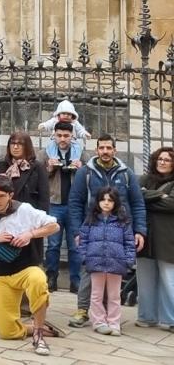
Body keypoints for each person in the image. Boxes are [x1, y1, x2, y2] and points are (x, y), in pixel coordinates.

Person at [0, 175, 61, 356]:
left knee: (38, 281)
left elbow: (54, 226)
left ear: (11, 195)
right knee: (7, 333)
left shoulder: (24, 210)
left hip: (26, 268)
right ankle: (33, 327)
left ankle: (38, 334)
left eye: (2, 196)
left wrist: (30, 234)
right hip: (2, 275)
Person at [67, 135, 148, 328]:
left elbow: (137, 203)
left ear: (114, 150)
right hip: (92, 226)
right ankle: (82, 309)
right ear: (96, 150)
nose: (105, 151)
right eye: (101, 148)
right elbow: (75, 203)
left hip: (119, 229)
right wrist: (77, 231)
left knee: (112, 272)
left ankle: (107, 317)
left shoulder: (126, 173)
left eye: (108, 148)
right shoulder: (85, 173)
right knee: (89, 269)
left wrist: (140, 230)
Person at [77, 186, 137, 335]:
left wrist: (129, 260)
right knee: (96, 295)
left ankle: (114, 322)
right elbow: (83, 239)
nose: (106, 203)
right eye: (103, 199)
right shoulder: (91, 220)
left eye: (110, 200)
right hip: (95, 263)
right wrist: (84, 257)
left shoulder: (122, 222)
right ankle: (99, 322)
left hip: (116, 264)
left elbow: (129, 241)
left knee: (114, 295)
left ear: (115, 203)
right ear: (97, 202)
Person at [39, 119, 88, 292]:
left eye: (66, 135)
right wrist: (49, 169)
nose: (62, 139)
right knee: (53, 244)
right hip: (54, 203)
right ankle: (51, 277)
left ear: (72, 136)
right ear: (54, 135)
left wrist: (81, 168)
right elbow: (39, 178)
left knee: (75, 245)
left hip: (75, 205)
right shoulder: (45, 153)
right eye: (59, 135)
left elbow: (89, 175)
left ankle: (76, 281)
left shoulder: (80, 152)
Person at [137, 146, 174, 330]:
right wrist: (160, 195)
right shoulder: (144, 179)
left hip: (167, 237)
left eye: (167, 160)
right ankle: (147, 316)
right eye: (160, 159)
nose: (162, 162)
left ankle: (170, 319)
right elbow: (136, 197)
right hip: (145, 235)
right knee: (145, 278)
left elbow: (171, 204)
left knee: (169, 279)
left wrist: (148, 198)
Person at [0, 131, 49, 263]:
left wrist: (40, 224)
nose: (15, 147)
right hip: (6, 219)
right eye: (12, 143)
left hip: (29, 222)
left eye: (20, 144)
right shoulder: (1, 165)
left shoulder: (36, 167)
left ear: (27, 146)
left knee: (30, 263)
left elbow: (44, 197)